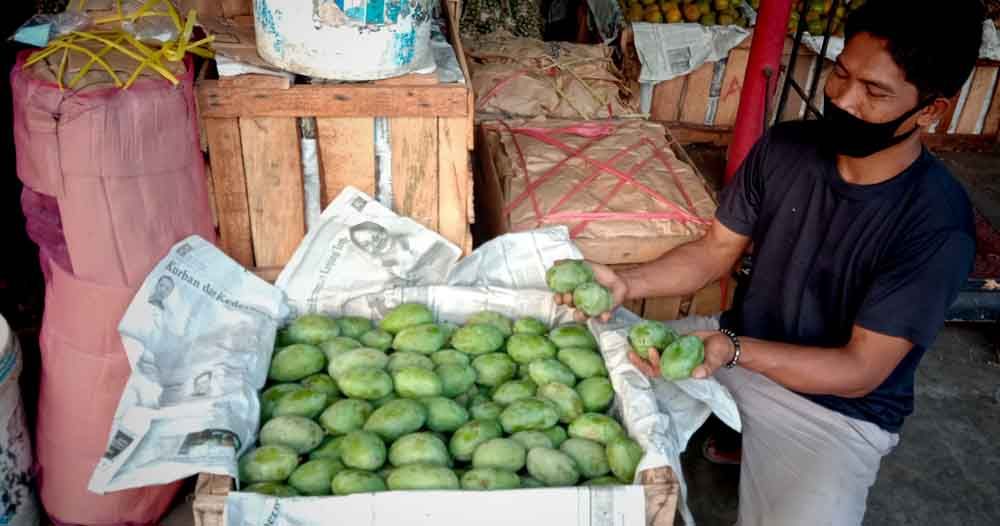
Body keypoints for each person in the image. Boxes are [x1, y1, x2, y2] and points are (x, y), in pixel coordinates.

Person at [556, 0, 982, 524]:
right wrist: (625, 282)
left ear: (930, 110)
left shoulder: (936, 225)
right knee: (573, 376)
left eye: (874, 93)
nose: (844, 101)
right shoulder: (787, 148)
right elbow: (714, 252)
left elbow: (859, 370)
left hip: (834, 410)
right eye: (841, 74)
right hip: (733, 344)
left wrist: (733, 349)